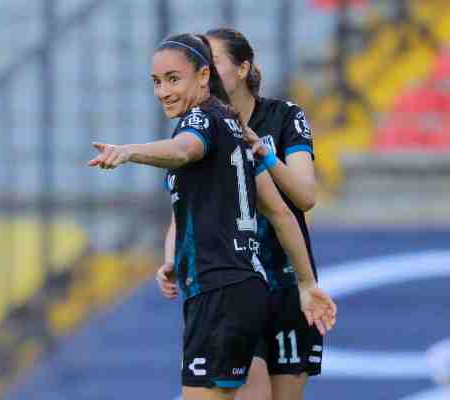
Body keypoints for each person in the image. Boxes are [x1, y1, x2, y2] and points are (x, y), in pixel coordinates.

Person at [89, 33, 336, 400]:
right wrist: (174, 259)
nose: (162, 91)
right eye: (157, 82)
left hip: (229, 285)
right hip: (243, 283)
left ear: (206, 75)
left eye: (174, 79)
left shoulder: (207, 121)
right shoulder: (231, 126)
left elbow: (185, 150)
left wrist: (129, 152)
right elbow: (269, 211)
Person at [157, 28, 321, 400]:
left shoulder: (283, 116)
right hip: (236, 282)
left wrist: (261, 152)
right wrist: (171, 259)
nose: (207, 71)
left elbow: (304, 197)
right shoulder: (206, 127)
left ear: (243, 68)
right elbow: (182, 209)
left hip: (284, 280)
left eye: (213, 62)